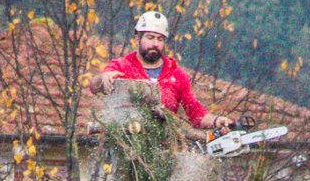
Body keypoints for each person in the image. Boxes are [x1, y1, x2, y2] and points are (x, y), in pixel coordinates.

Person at [90, 11, 231, 131]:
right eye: (150, 37)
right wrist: (104, 77)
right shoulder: (121, 66)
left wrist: (216, 121)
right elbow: (94, 87)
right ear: (137, 38)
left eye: (160, 39)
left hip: (165, 149)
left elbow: (196, 114)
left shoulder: (176, 75)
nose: (155, 44)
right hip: (127, 146)